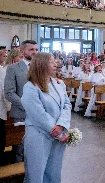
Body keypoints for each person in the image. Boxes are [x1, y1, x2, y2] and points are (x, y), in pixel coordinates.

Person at [21, 53, 71, 182]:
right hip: (39, 135)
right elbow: (37, 113)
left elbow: (66, 105)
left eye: (55, 61)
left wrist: (61, 125)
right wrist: (56, 131)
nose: (56, 64)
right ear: (41, 65)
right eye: (51, 61)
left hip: (58, 132)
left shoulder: (59, 84)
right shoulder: (30, 87)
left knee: (54, 171)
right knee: (36, 173)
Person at [5, 40, 38, 123]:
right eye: (31, 50)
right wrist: (26, 105)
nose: (35, 52)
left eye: (36, 50)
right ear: (22, 51)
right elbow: (9, 93)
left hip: (40, 114)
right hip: (21, 114)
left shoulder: (41, 68)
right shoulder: (13, 68)